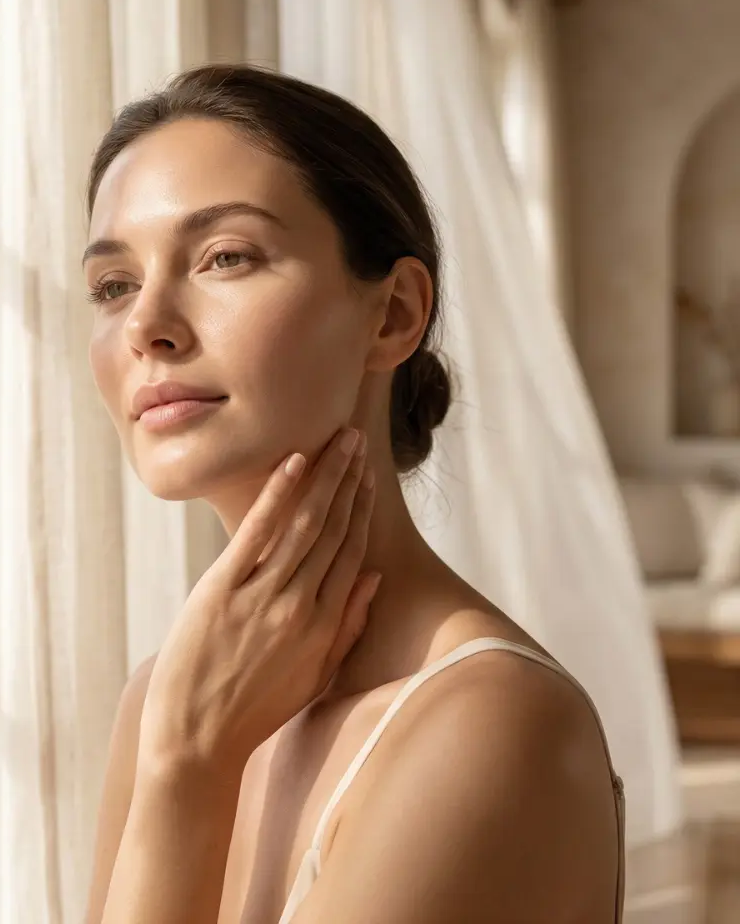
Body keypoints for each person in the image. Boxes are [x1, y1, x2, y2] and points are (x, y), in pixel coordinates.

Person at [81, 64, 625, 924]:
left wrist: (188, 777)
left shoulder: (492, 724)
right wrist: (180, 757)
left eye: (226, 257)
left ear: (394, 315)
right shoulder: (167, 698)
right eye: (113, 285)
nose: (147, 324)